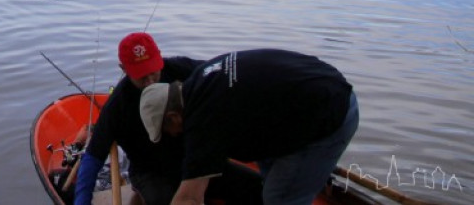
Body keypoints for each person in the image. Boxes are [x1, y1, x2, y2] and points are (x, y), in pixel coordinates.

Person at [140, 49, 359, 205]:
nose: (174, 136)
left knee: (279, 198)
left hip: (331, 112)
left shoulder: (204, 122)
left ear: (173, 117)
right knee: (267, 183)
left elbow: (189, 198)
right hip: (311, 92)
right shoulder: (200, 77)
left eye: (168, 132)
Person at [74, 33, 206, 205]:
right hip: (150, 171)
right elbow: (93, 156)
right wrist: (81, 200)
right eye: (142, 76)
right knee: (164, 199)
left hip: (192, 158)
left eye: (153, 72)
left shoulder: (180, 69)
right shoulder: (117, 106)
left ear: (159, 57)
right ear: (124, 69)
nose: (150, 82)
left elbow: (218, 75)